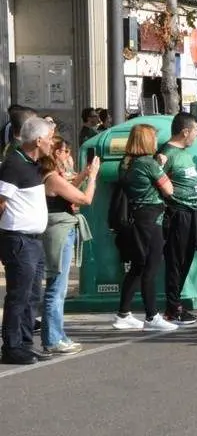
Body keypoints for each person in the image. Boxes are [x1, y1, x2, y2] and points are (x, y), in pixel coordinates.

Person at [113, 124, 178, 332]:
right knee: (151, 266)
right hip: (152, 218)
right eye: (154, 138)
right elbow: (169, 189)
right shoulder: (148, 163)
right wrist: (160, 166)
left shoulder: (125, 162)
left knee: (138, 266)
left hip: (136, 216)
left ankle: (123, 313)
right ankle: (151, 316)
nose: (156, 141)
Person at [0, 117, 53, 364]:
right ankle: (11, 347)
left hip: (34, 240)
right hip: (19, 240)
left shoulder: (33, 164)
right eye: (50, 138)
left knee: (32, 295)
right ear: (39, 140)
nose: (52, 142)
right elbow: (1, 201)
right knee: (18, 295)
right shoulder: (14, 164)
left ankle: (25, 343)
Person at [40, 137, 99, 355]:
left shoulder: (51, 176)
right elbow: (85, 199)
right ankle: (52, 339)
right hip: (59, 231)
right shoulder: (52, 177)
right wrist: (92, 177)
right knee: (57, 287)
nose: (68, 156)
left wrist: (82, 174)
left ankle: (58, 334)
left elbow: (68, 191)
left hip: (60, 228)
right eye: (65, 151)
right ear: (55, 153)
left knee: (59, 287)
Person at [159, 112, 197, 325]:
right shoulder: (166, 154)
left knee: (186, 259)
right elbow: (156, 182)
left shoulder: (184, 153)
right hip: (177, 214)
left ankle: (176, 303)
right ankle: (172, 308)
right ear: (185, 131)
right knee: (175, 261)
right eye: (195, 130)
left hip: (193, 213)